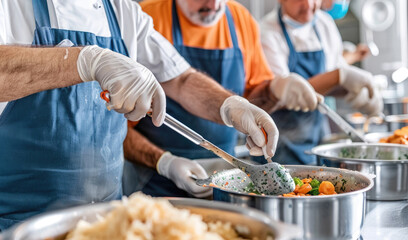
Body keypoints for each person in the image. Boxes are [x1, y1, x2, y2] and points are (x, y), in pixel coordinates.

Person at [0, 0, 280, 230]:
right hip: (23, 224)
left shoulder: (122, 11)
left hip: (108, 224)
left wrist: (230, 106)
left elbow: (180, 78)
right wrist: (85, 60)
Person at [122, 0, 323, 198]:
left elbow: (250, 98)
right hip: (154, 182)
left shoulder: (240, 20)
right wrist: (164, 162)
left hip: (225, 179)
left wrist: (275, 90)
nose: (214, 5)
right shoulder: (147, 19)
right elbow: (119, 129)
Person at [259, 0, 383, 165]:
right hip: (280, 144)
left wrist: (355, 91)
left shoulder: (324, 23)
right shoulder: (267, 32)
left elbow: (332, 80)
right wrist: (339, 76)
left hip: (318, 136)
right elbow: (283, 95)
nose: (309, 5)